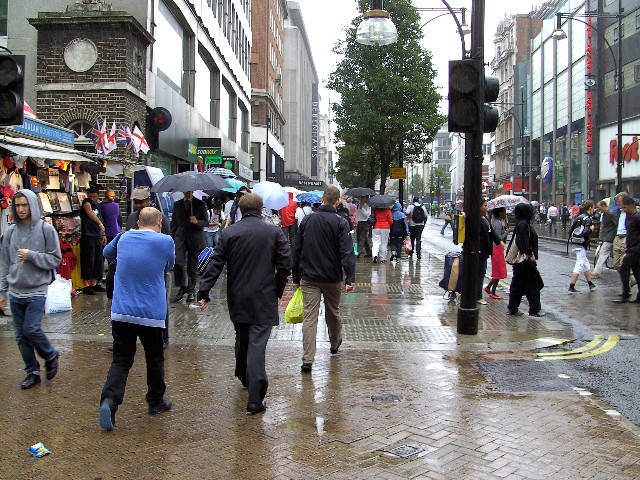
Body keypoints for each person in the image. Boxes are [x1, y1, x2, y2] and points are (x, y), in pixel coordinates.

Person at [197, 193, 291, 414]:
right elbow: (285, 263)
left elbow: (216, 263)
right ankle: (255, 398)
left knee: (242, 335)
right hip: (264, 296)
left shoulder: (229, 232)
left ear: (239, 209)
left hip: (238, 296)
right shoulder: (273, 232)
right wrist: (278, 287)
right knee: (257, 344)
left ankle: (243, 374)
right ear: (261, 210)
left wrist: (204, 290)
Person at [99, 207, 175, 431]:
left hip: (122, 310)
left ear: (138, 221)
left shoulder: (123, 237)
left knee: (121, 360)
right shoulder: (165, 241)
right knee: (154, 358)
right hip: (151, 313)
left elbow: (106, 253)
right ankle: (155, 401)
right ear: (159, 222)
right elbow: (169, 265)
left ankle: (109, 401)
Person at [0, 190, 62, 390]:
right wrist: (2, 291)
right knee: (20, 335)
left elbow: (55, 259)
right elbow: (4, 263)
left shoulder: (46, 230)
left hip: (37, 289)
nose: (21, 209)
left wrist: (32, 256)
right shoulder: (10, 232)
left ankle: (50, 354)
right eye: (17, 205)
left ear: (32, 205)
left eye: (24, 205)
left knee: (31, 328)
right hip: (15, 290)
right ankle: (32, 371)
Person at [292, 186, 355, 373]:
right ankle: (334, 343)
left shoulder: (307, 220)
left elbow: (296, 249)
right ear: (337, 202)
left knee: (310, 317)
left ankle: (307, 360)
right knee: (332, 312)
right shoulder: (341, 222)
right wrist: (349, 277)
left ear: (322, 200)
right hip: (332, 277)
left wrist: (296, 275)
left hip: (309, 276)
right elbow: (347, 252)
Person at [126, 186, 171, 347]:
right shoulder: (132, 218)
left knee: (160, 301)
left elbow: (167, 241)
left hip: (155, 268)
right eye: (136, 203)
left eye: (141, 202)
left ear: (148, 200)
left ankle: (163, 336)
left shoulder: (160, 218)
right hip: (135, 269)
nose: (139, 205)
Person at [507, 203, 545, 317]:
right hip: (525, 261)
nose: (532, 212)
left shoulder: (522, 224)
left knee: (519, 285)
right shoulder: (523, 224)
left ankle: (513, 308)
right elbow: (522, 241)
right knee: (532, 285)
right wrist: (530, 253)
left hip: (522, 263)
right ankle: (534, 309)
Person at [170, 190, 208, 303]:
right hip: (180, 237)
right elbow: (174, 222)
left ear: (192, 191)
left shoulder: (200, 204)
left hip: (194, 237)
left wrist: (196, 222)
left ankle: (191, 291)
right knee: (178, 262)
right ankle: (183, 287)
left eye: (189, 191)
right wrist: (171, 237)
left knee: (192, 265)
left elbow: (206, 222)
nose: (187, 192)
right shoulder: (177, 204)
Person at [477, 199, 505, 305]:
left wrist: (499, 241)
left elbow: (491, 232)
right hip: (479, 250)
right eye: (485, 206)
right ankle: (478, 297)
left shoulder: (485, 218)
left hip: (484, 251)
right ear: (479, 207)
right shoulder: (477, 219)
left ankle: (478, 295)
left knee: (481, 273)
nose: (487, 208)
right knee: (479, 274)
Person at [613, 195, 640, 304]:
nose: (622, 209)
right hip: (631, 248)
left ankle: (625, 294)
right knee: (637, 272)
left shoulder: (637, 217)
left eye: (624, 207)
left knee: (624, 267)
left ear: (630, 206)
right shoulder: (629, 217)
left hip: (636, 249)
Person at [81, 186, 107, 295]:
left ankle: (95, 283)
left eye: (94, 196)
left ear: (98, 196)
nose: (92, 198)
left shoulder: (98, 206)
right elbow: (89, 212)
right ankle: (86, 284)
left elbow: (100, 218)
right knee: (89, 260)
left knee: (98, 260)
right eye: (90, 196)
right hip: (88, 235)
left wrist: (103, 234)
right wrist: (99, 223)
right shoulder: (86, 203)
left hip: (97, 235)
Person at [567, 200, 597, 293]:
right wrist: (591, 229)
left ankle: (590, 284)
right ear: (590, 208)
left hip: (575, 242)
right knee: (579, 264)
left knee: (585, 264)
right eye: (593, 207)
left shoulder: (579, 217)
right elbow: (585, 232)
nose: (594, 209)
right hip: (581, 244)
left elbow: (571, 230)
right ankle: (571, 287)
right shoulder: (587, 219)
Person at [484, 207, 508, 299]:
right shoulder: (497, 223)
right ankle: (493, 292)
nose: (505, 213)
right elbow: (498, 238)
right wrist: (507, 231)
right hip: (497, 248)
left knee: (497, 271)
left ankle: (489, 287)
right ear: (500, 213)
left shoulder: (495, 222)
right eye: (504, 212)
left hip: (496, 248)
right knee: (498, 271)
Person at [592, 200, 616, 278]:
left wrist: (614, 235)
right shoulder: (604, 214)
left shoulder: (610, 213)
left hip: (609, 237)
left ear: (603, 206)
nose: (598, 209)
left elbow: (616, 224)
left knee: (602, 254)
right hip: (605, 237)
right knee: (606, 254)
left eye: (599, 207)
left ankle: (597, 272)